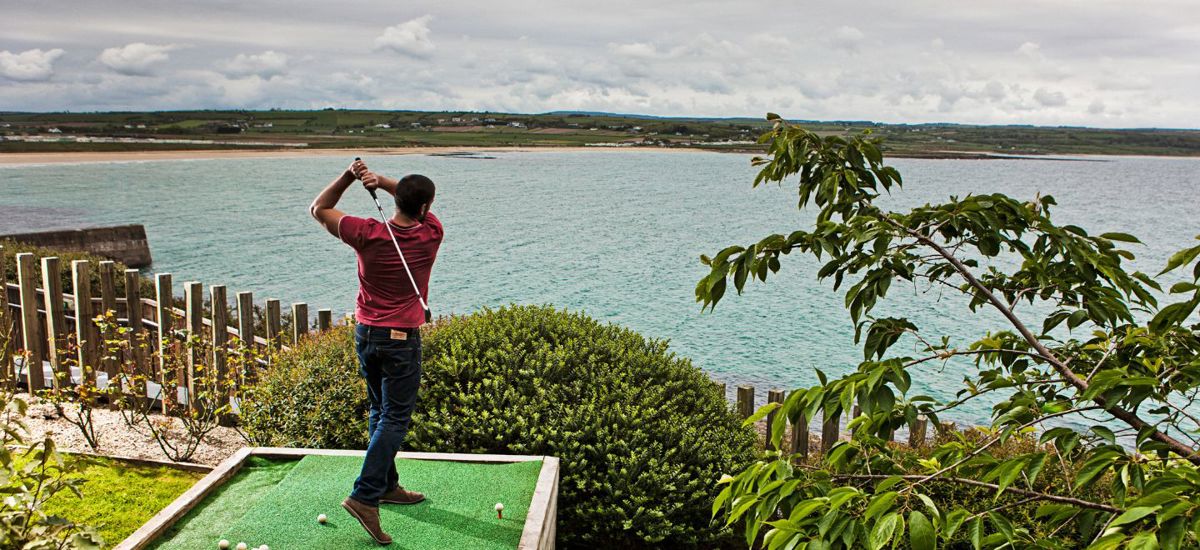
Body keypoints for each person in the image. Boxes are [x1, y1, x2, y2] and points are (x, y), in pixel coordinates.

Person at [309, 159, 443, 545]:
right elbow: (412, 199)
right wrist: (382, 181)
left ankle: (386, 485)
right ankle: (365, 495)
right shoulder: (431, 232)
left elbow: (318, 208)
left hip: (366, 334)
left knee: (379, 411)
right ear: (424, 207)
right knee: (394, 418)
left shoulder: (366, 232)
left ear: (396, 201)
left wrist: (350, 177)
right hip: (401, 339)